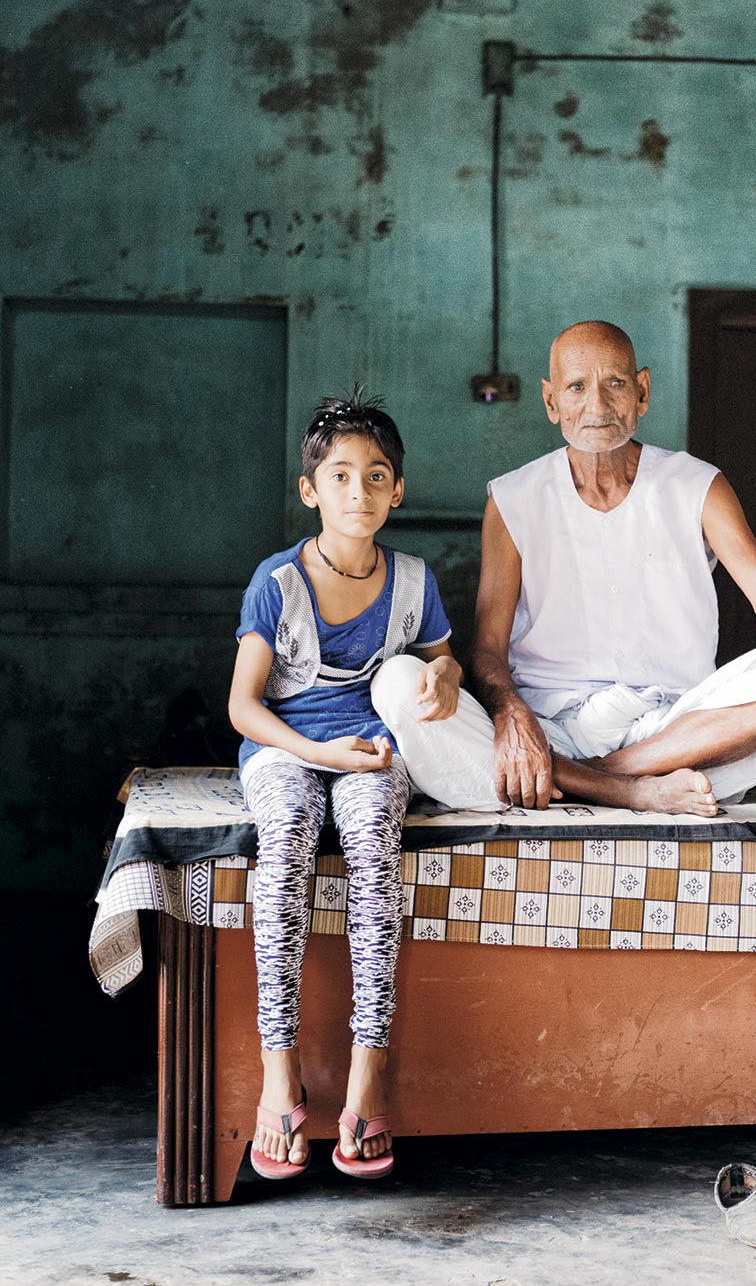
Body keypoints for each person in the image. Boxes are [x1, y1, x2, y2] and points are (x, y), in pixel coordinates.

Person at [228, 390, 488, 1183]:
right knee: (287, 840)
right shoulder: (277, 582)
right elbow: (243, 706)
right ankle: (280, 1068)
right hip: (288, 747)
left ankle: (368, 1068)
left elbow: (446, 658)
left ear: (398, 490)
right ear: (310, 491)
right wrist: (317, 751)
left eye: (377, 476)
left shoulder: (413, 579)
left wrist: (444, 673)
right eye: (340, 476)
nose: (359, 492)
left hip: (374, 749)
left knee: (375, 842)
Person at [469, 319, 756, 816]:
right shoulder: (513, 498)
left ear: (641, 392)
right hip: (552, 723)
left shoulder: (697, 485)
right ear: (551, 401)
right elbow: (488, 650)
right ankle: (629, 783)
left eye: (615, 384)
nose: (597, 406)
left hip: (676, 729)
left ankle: (601, 777)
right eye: (576, 387)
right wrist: (514, 718)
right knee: (420, 706)